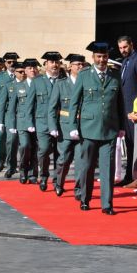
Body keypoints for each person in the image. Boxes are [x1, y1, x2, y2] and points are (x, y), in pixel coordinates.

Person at [69, 42, 126, 215]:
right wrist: (73, 126)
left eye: (105, 56)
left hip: (109, 128)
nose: (102, 60)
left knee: (108, 168)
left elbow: (120, 103)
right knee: (87, 166)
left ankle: (107, 204)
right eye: (99, 57)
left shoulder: (115, 75)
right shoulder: (85, 75)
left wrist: (122, 126)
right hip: (88, 128)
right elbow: (75, 102)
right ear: (93, 58)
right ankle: (85, 199)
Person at [48, 54, 85, 199]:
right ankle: (59, 183)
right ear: (70, 67)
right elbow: (52, 108)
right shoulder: (61, 84)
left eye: (82, 65)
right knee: (63, 159)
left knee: (81, 160)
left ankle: (79, 190)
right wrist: (52, 126)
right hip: (65, 127)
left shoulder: (86, 82)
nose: (80, 67)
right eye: (77, 65)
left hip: (82, 126)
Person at [26, 51, 64, 192]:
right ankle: (43, 176)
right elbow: (30, 103)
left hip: (61, 123)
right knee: (44, 150)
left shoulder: (64, 80)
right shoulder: (38, 81)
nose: (54, 65)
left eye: (56, 62)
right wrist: (29, 122)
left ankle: (57, 181)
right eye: (51, 62)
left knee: (60, 154)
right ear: (45, 64)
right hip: (42, 123)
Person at [118, 36, 137, 188]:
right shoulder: (125, 61)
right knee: (129, 144)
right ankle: (128, 175)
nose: (123, 50)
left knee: (135, 145)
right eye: (120, 48)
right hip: (125, 110)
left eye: (125, 47)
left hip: (134, 110)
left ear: (131, 45)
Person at [7, 58, 39, 184]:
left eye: (34, 68)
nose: (32, 70)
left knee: (35, 148)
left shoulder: (41, 85)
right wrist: (12, 124)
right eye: (30, 68)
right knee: (25, 146)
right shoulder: (18, 86)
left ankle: (32, 174)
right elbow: (11, 108)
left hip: (37, 121)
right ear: (25, 70)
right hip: (22, 122)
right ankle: (23, 170)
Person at [0, 61, 23, 178]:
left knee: (26, 145)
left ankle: (24, 168)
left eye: (23, 71)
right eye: (19, 72)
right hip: (11, 118)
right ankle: (11, 167)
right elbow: (1, 104)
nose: (22, 74)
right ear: (15, 72)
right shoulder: (9, 86)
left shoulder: (30, 85)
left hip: (24, 118)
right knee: (11, 142)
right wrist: (0, 121)